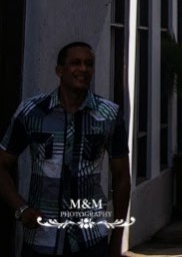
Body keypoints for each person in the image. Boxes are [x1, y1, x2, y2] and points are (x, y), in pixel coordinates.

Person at [0, 41, 131, 257]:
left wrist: (117, 240)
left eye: (89, 64)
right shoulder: (32, 113)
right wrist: (21, 208)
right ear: (59, 71)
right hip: (41, 239)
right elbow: (3, 165)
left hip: (90, 239)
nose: (83, 69)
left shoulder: (108, 115)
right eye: (75, 63)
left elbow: (121, 177)